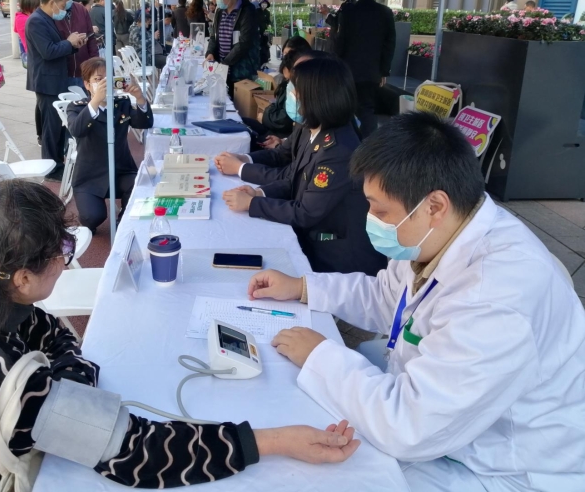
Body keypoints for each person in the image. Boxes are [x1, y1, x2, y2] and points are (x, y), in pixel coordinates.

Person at [0, 178, 362, 491]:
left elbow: (51, 335)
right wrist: (273, 441)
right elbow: (136, 455)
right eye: (61, 250)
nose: (65, 258)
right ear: (22, 277)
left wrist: (69, 382)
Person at [246, 111, 585, 492]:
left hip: (505, 467)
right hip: (451, 427)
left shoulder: (497, 295)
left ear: (434, 206)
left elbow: (409, 427)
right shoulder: (439, 233)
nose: (371, 220)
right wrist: (304, 288)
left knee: (321, 473)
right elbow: (386, 296)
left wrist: (319, 356)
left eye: (380, 210)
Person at [216, 58, 386, 275]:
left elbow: (306, 212)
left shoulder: (338, 150)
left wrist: (252, 204)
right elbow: (293, 178)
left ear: (316, 96)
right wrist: (259, 193)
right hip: (314, 239)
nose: (293, 95)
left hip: (338, 260)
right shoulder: (313, 129)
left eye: (297, 90)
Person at [66, 58, 152, 232]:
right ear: (87, 85)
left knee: (140, 188)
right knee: (93, 217)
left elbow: (145, 123)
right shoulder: (77, 108)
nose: (104, 84)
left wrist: (140, 98)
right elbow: (77, 130)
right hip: (89, 176)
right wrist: (96, 101)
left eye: (108, 79)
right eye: (98, 79)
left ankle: (124, 219)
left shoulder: (121, 104)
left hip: (121, 171)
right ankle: (90, 211)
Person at [26, 0, 87, 181]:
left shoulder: (47, 18)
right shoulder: (36, 21)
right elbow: (48, 51)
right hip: (47, 82)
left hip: (56, 79)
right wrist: (69, 42)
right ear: (52, 2)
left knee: (58, 127)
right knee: (51, 128)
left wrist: (73, 45)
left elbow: (57, 47)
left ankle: (57, 162)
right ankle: (51, 168)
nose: (63, 8)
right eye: (62, 4)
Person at [334, 0, 395, 139]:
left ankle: (348, 141)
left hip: (348, 70)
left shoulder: (348, 10)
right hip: (372, 72)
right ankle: (369, 145)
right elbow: (389, 45)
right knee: (367, 109)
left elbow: (340, 40)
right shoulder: (385, 12)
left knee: (345, 107)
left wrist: (336, 63)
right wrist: (384, 71)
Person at [241, 47, 312, 151]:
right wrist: (282, 142)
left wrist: (265, 117)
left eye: (293, 81)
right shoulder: (286, 86)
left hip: (278, 131)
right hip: (278, 133)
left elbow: (284, 121)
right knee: (241, 123)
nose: (293, 91)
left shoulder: (308, 121)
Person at [206, 0, 260, 97]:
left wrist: (224, 63)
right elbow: (214, 36)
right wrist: (210, 52)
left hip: (240, 72)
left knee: (237, 103)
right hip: (222, 71)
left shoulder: (247, 10)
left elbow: (244, 42)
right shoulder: (219, 11)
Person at [14, 0, 42, 146]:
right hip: (35, 61)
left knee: (41, 100)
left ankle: (42, 134)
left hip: (36, 60)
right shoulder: (25, 20)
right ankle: (40, 134)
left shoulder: (30, 18)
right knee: (41, 101)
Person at [55, 0, 99, 88]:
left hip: (83, 71)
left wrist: (95, 63)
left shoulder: (81, 10)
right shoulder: (53, 12)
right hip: (63, 72)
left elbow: (91, 38)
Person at [256, 0, 271, 66]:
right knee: (258, 44)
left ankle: (265, 58)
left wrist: (268, 28)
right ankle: (258, 58)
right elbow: (254, 19)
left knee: (265, 44)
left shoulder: (267, 13)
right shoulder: (257, 11)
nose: (264, 5)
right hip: (257, 30)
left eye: (265, 3)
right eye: (263, 3)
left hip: (264, 31)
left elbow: (268, 21)